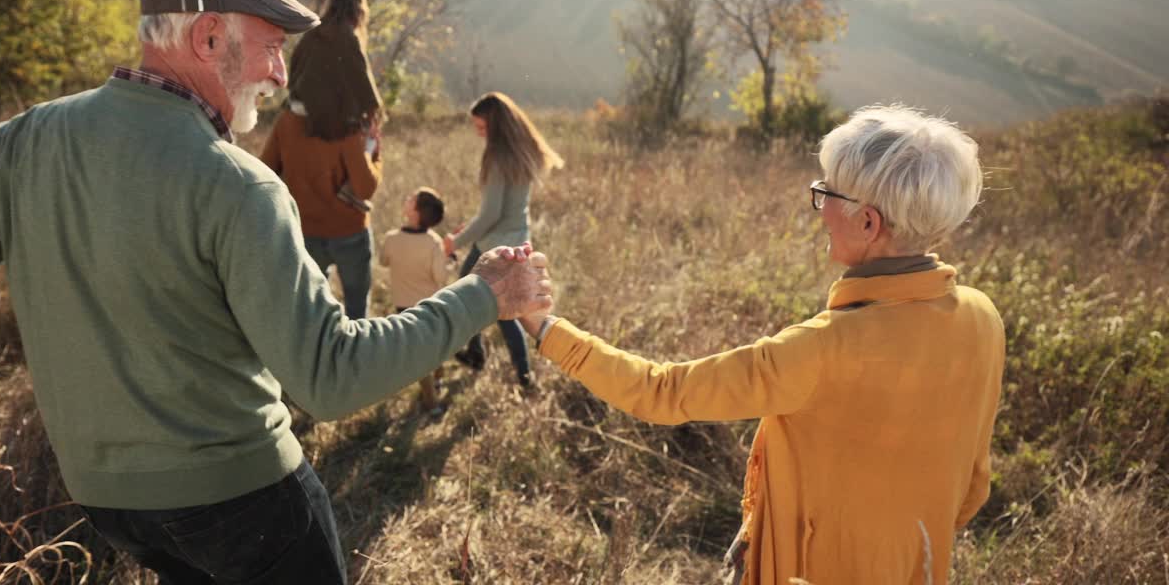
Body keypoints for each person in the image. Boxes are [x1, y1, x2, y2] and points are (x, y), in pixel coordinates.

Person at [0, 0, 553, 585]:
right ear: (208, 38)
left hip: (109, 504)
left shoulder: (21, 143)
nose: (281, 74)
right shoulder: (236, 185)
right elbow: (331, 377)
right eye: (270, 47)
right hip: (249, 505)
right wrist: (483, 294)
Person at [520, 105, 1003, 585]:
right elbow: (973, 488)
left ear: (869, 224)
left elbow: (660, 391)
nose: (821, 209)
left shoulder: (822, 349)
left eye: (827, 193)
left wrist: (543, 326)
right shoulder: (982, 317)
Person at [260, 0, 382, 319]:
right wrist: (375, 152)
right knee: (358, 312)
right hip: (348, 230)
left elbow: (265, 173)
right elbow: (366, 187)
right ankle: (356, 369)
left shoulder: (288, 123)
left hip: (305, 229)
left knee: (312, 315)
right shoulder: (347, 132)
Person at [444, 92, 563, 388]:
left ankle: (489, 360)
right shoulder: (521, 151)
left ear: (496, 126)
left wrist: (453, 242)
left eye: (482, 128)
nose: (478, 134)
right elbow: (502, 210)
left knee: (470, 298)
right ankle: (521, 375)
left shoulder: (497, 158)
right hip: (517, 242)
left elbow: (490, 216)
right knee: (509, 313)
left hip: (493, 245)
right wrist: (467, 232)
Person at [379, 187, 452, 415]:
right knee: (435, 344)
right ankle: (438, 378)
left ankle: (431, 403)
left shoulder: (391, 239)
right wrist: (450, 262)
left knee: (419, 354)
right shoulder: (434, 243)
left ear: (415, 213)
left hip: (404, 307)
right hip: (430, 305)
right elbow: (440, 277)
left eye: (412, 199)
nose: (407, 198)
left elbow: (383, 261)